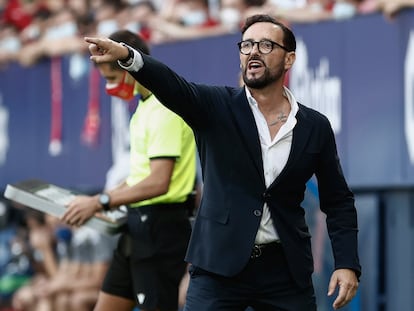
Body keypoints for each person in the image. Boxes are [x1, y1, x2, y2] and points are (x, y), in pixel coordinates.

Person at [81, 14, 361, 311]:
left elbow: (338, 200)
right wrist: (128, 56)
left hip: (285, 271)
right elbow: (172, 85)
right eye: (247, 45)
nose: (253, 51)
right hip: (219, 268)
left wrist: (347, 264)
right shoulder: (217, 107)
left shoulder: (314, 126)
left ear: (289, 59)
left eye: (266, 45)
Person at [61, 29, 197, 311]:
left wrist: (101, 201)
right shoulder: (144, 108)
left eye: (111, 78)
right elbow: (139, 177)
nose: (109, 87)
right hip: (137, 227)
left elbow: (159, 182)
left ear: (128, 65)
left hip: (161, 230)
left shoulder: (165, 109)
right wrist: (96, 203)